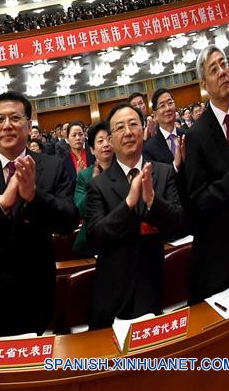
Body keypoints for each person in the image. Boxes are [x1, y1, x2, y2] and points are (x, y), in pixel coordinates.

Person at [0, 91, 78, 340]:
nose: (7, 125)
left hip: (35, 294)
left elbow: (69, 221)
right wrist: (0, 204)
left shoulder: (52, 166)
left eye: (15, 118)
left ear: (29, 125)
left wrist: (34, 197)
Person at [85, 104, 184, 328]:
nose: (128, 132)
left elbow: (178, 223)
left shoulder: (163, 172)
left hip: (155, 284)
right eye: (120, 127)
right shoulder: (98, 185)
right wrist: (129, 203)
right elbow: (95, 237)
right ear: (110, 139)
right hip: (113, 292)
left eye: (133, 124)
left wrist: (152, 201)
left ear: (143, 129)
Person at [180, 45, 229, 304]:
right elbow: (197, 199)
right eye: (213, 69)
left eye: (224, 64)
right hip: (220, 254)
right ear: (204, 84)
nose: (222, 72)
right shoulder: (196, 135)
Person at [71, 121, 115, 258]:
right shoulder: (85, 176)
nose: (106, 144)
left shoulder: (126, 169)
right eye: (100, 141)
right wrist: (94, 184)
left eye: (109, 139)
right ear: (92, 150)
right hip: (92, 242)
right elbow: (79, 210)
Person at [143, 88, 186, 169]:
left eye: (170, 103)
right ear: (155, 115)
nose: (168, 108)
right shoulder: (148, 148)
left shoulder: (187, 135)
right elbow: (155, 175)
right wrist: (175, 166)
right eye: (162, 105)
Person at [60, 121, 95, 191]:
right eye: (74, 135)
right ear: (67, 139)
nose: (78, 138)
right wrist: (78, 177)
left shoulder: (93, 154)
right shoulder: (62, 160)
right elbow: (64, 187)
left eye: (80, 134)